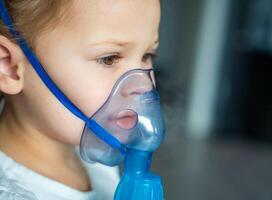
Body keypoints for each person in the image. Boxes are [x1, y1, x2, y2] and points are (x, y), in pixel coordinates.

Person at [0, 0, 161, 199]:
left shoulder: (97, 154)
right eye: (108, 58)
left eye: (147, 55)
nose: (144, 85)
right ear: (9, 67)